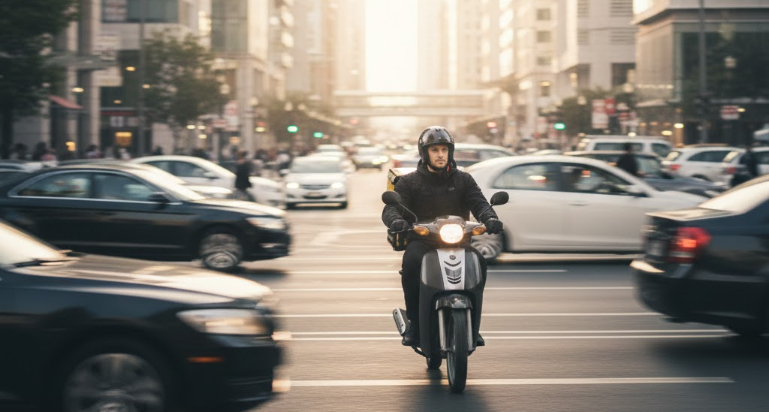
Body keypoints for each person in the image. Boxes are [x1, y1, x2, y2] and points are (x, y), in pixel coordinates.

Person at [382, 126, 504, 346]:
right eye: (435, 150)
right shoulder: (409, 182)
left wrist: (490, 219)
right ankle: (415, 324)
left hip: (458, 240)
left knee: (479, 262)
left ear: (451, 152)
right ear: (424, 153)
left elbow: (480, 203)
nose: (440, 154)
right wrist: (397, 221)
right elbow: (390, 208)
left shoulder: (464, 180)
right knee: (411, 262)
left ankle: (472, 326)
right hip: (423, 240)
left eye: (444, 150)